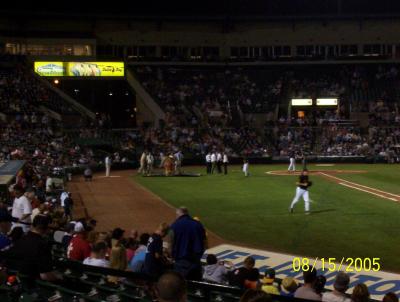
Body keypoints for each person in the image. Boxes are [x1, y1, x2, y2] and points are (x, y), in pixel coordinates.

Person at [8, 215, 61, 282]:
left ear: (32, 225)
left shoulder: (21, 239)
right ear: (47, 229)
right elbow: (45, 275)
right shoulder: (43, 245)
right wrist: (58, 279)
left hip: (15, 279)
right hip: (32, 284)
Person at [170, 207, 206, 280]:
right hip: (196, 261)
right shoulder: (198, 224)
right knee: (195, 286)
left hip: (181, 262)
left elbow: (171, 243)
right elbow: (204, 242)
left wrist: (172, 256)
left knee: (180, 285)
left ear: (178, 215)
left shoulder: (175, 225)